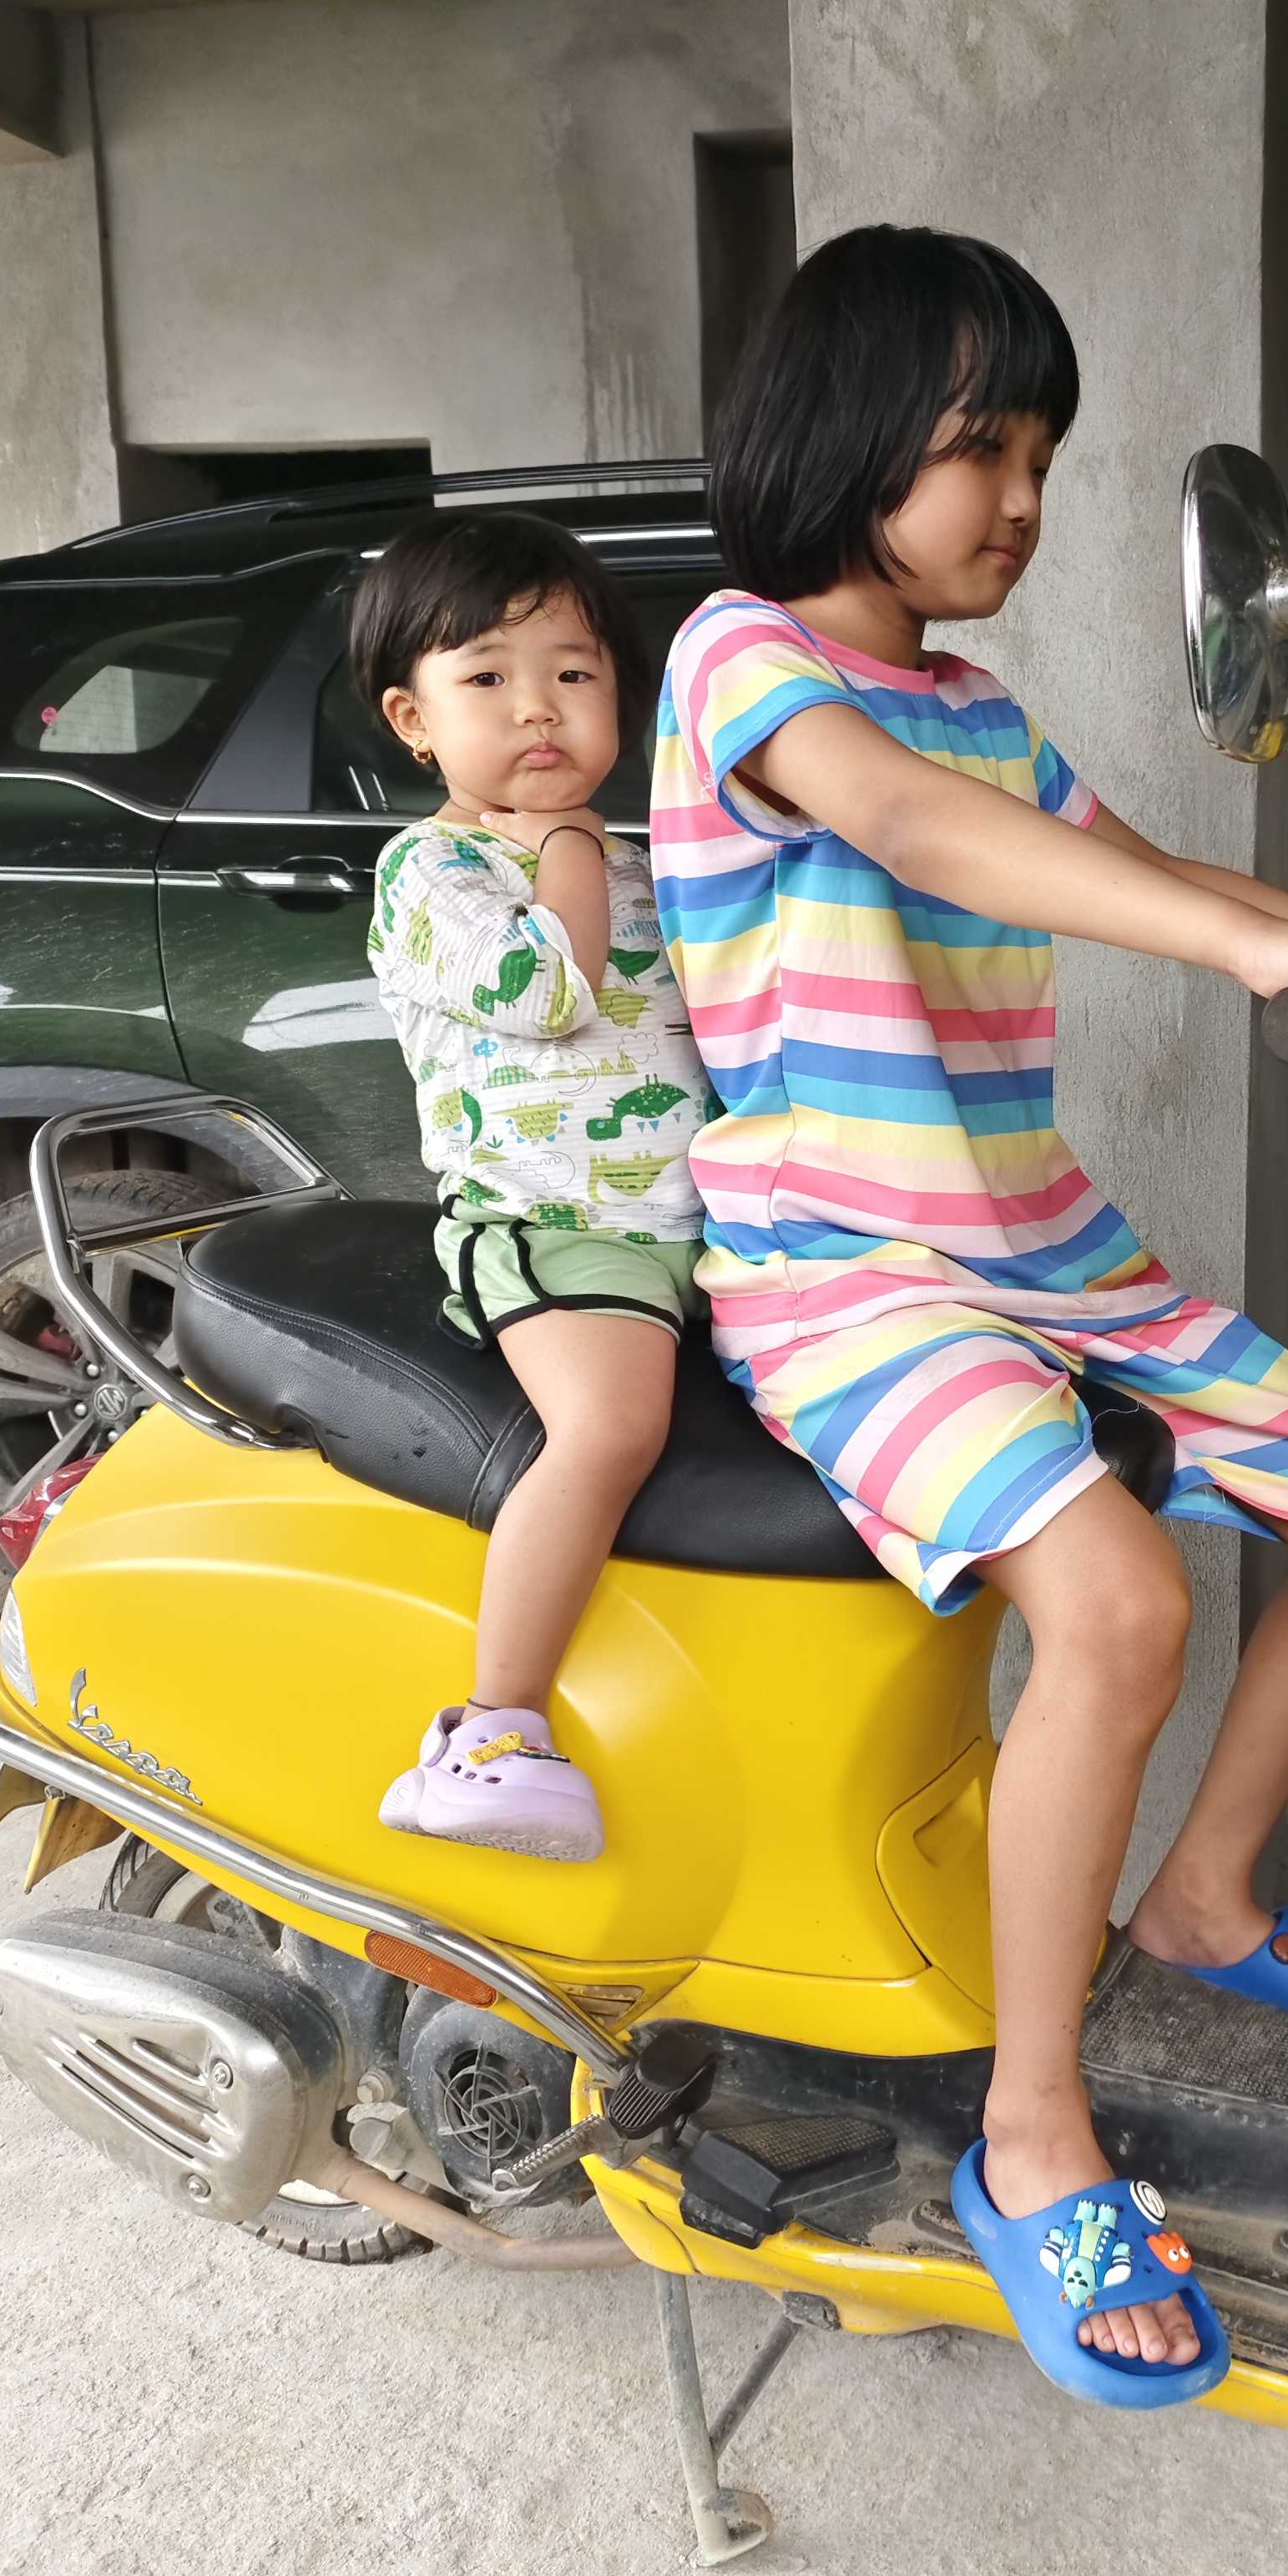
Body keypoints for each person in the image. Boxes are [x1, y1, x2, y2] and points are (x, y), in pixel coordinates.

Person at [651, 226, 1288, 2407]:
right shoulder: (744, 665)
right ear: (844, 441)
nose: (1021, 500)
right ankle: (1031, 2129)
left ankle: (1203, 1892)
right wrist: (1248, 958)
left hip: (1039, 1245)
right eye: (981, 450)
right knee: (1116, 1609)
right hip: (844, 1271)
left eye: (1043, 458)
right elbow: (923, 833)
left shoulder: (980, 705)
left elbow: (1157, 873)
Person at [356, 513, 709, 1861]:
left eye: (573, 673)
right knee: (611, 1430)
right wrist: (567, 846)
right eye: (489, 678)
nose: (539, 709)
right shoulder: (432, 871)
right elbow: (549, 992)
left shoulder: (638, 864)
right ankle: (492, 1729)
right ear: (415, 719)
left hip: (698, 1226)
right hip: (553, 1221)